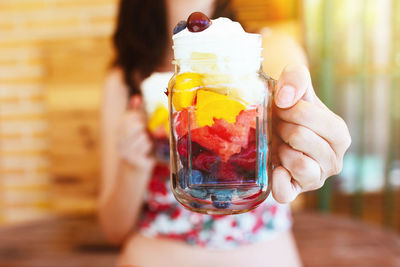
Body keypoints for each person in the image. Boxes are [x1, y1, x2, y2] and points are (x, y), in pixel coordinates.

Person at [98, 0, 351, 266]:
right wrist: (133, 165)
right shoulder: (124, 81)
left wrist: (307, 144)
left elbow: (296, 129)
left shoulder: (267, 52)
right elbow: (114, 230)